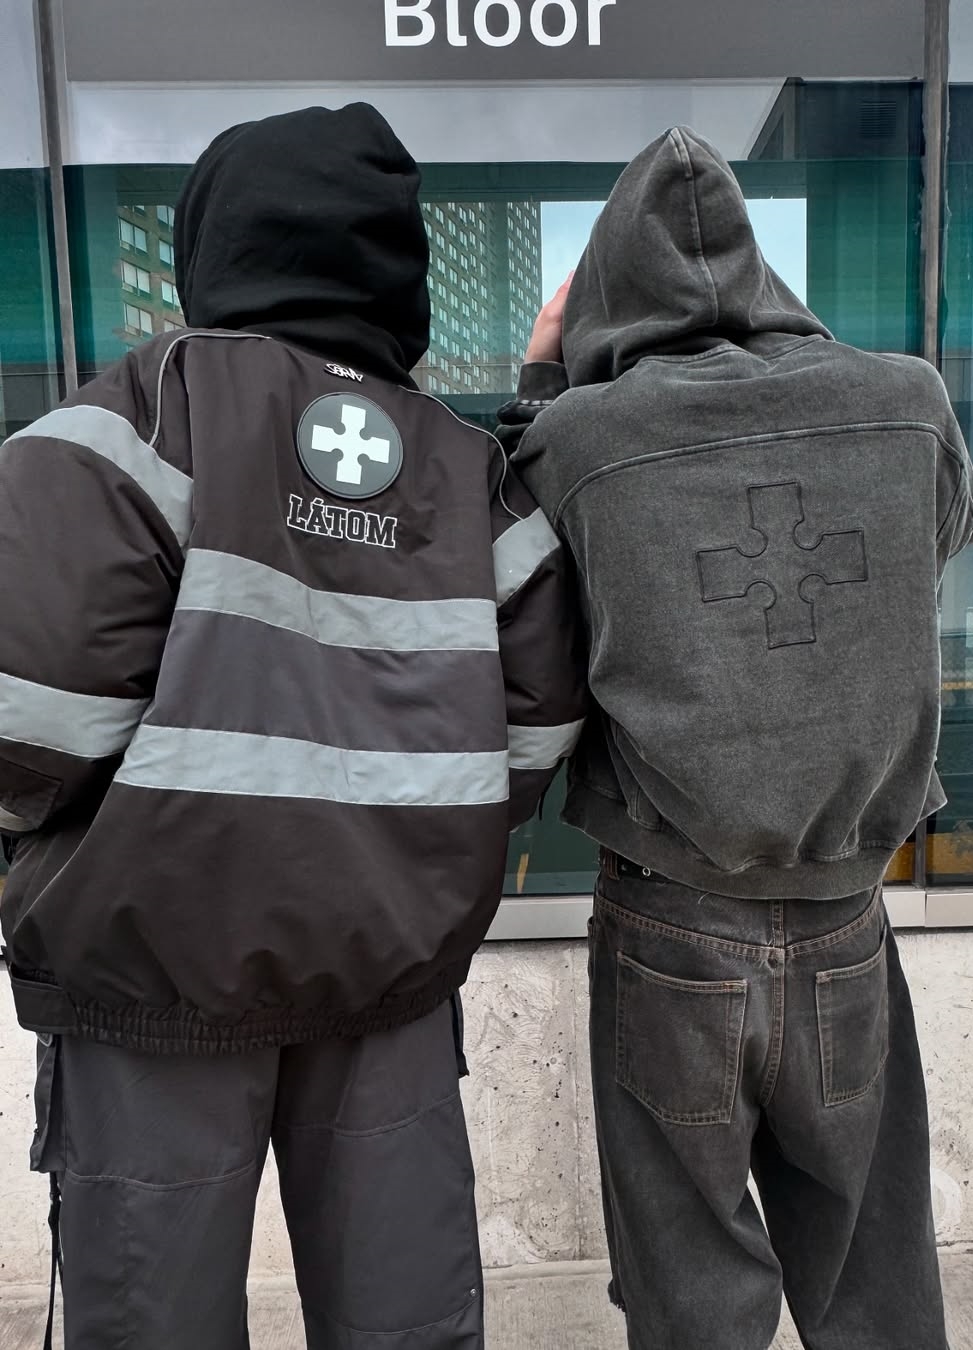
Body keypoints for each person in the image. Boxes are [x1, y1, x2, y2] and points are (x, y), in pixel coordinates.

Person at [0, 102, 585, 1349]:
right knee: (405, 1322)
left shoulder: (130, 424)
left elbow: (26, 730)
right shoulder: (471, 473)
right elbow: (534, 740)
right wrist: (401, 842)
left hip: (152, 986)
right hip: (390, 983)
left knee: (152, 1322)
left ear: (217, 244)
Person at [498, 128, 973, 1350]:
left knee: (690, 1295)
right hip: (846, 915)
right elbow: (934, 538)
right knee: (875, 1284)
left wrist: (547, 369)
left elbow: (515, 569)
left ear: (605, 289)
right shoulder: (910, 401)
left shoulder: (577, 439)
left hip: (669, 917)